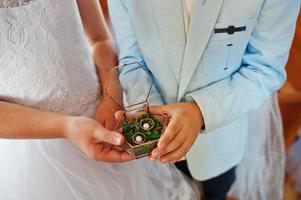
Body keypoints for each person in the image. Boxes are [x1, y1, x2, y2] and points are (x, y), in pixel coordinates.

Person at [0, 0, 198, 199]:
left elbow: (99, 39)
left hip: (103, 116)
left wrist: (111, 94)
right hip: (36, 147)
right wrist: (67, 127)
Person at [108, 0, 300, 199]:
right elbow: (131, 59)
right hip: (152, 139)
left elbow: (264, 69)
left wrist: (201, 111)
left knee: (216, 191)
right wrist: (152, 113)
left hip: (219, 141)